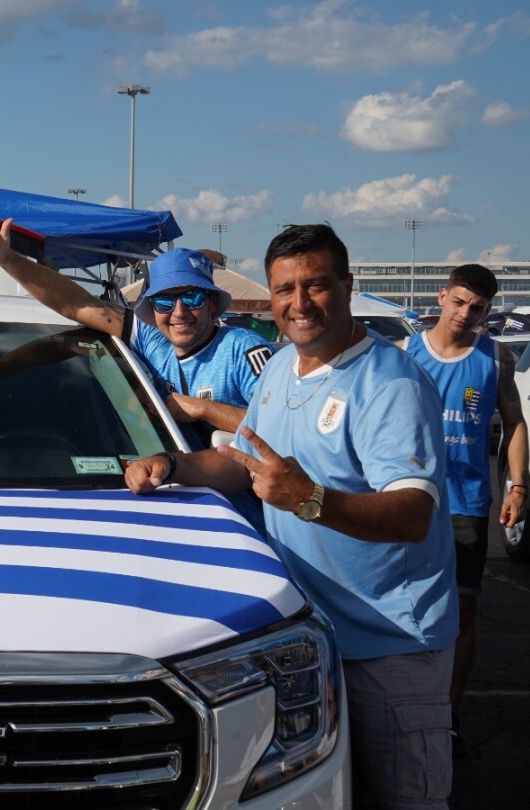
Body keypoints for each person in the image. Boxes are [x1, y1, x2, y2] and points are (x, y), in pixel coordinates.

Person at [124, 224, 458, 807]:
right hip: (299, 638)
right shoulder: (281, 369)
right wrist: (172, 466)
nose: (299, 304)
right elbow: (241, 463)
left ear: (348, 287)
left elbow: (413, 514)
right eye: (284, 290)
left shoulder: (390, 382)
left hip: (388, 647)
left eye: (316, 286)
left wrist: (310, 498)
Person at [0, 218, 273, 439]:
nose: (179, 313)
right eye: (166, 301)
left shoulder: (242, 349)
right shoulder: (152, 338)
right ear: (152, 308)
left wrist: (204, 410)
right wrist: (7, 260)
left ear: (211, 303)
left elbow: (284, 426)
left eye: (191, 297)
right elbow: (77, 305)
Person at [400, 263, 529, 758]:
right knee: (406, 604)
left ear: (488, 310)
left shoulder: (496, 357)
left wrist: (517, 486)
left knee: (463, 610)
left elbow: (515, 422)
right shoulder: (407, 352)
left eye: (477, 308)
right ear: (442, 297)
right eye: (458, 302)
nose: (465, 314)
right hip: (409, 498)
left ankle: (448, 714)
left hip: (467, 504)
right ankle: (408, 704)